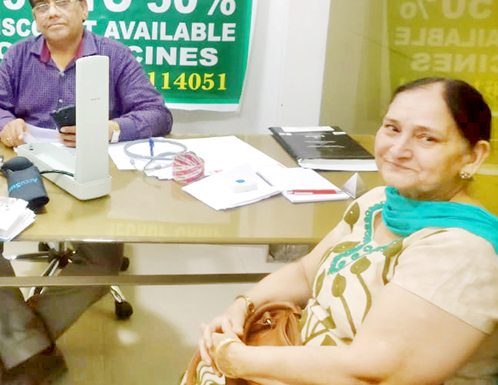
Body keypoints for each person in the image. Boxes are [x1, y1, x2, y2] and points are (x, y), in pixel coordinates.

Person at [185, 77, 498, 385]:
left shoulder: (461, 251)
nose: (399, 149)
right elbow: (305, 274)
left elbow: (371, 372)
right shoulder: (379, 202)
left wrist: (236, 359)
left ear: (474, 156)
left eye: (427, 138)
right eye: (392, 128)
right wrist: (242, 307)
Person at [0, 0, 172, 384]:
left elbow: (158, 115)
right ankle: (29, 352)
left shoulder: (114, 56)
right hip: (28, 170)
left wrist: (110, 128)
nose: (52, 12)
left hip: (90, 172)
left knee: (104, 260)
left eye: (62, 1)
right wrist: (2, 123)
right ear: (34, 15)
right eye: (41, 5)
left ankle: (19, 349)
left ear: (83, 7)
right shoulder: (19, 55)